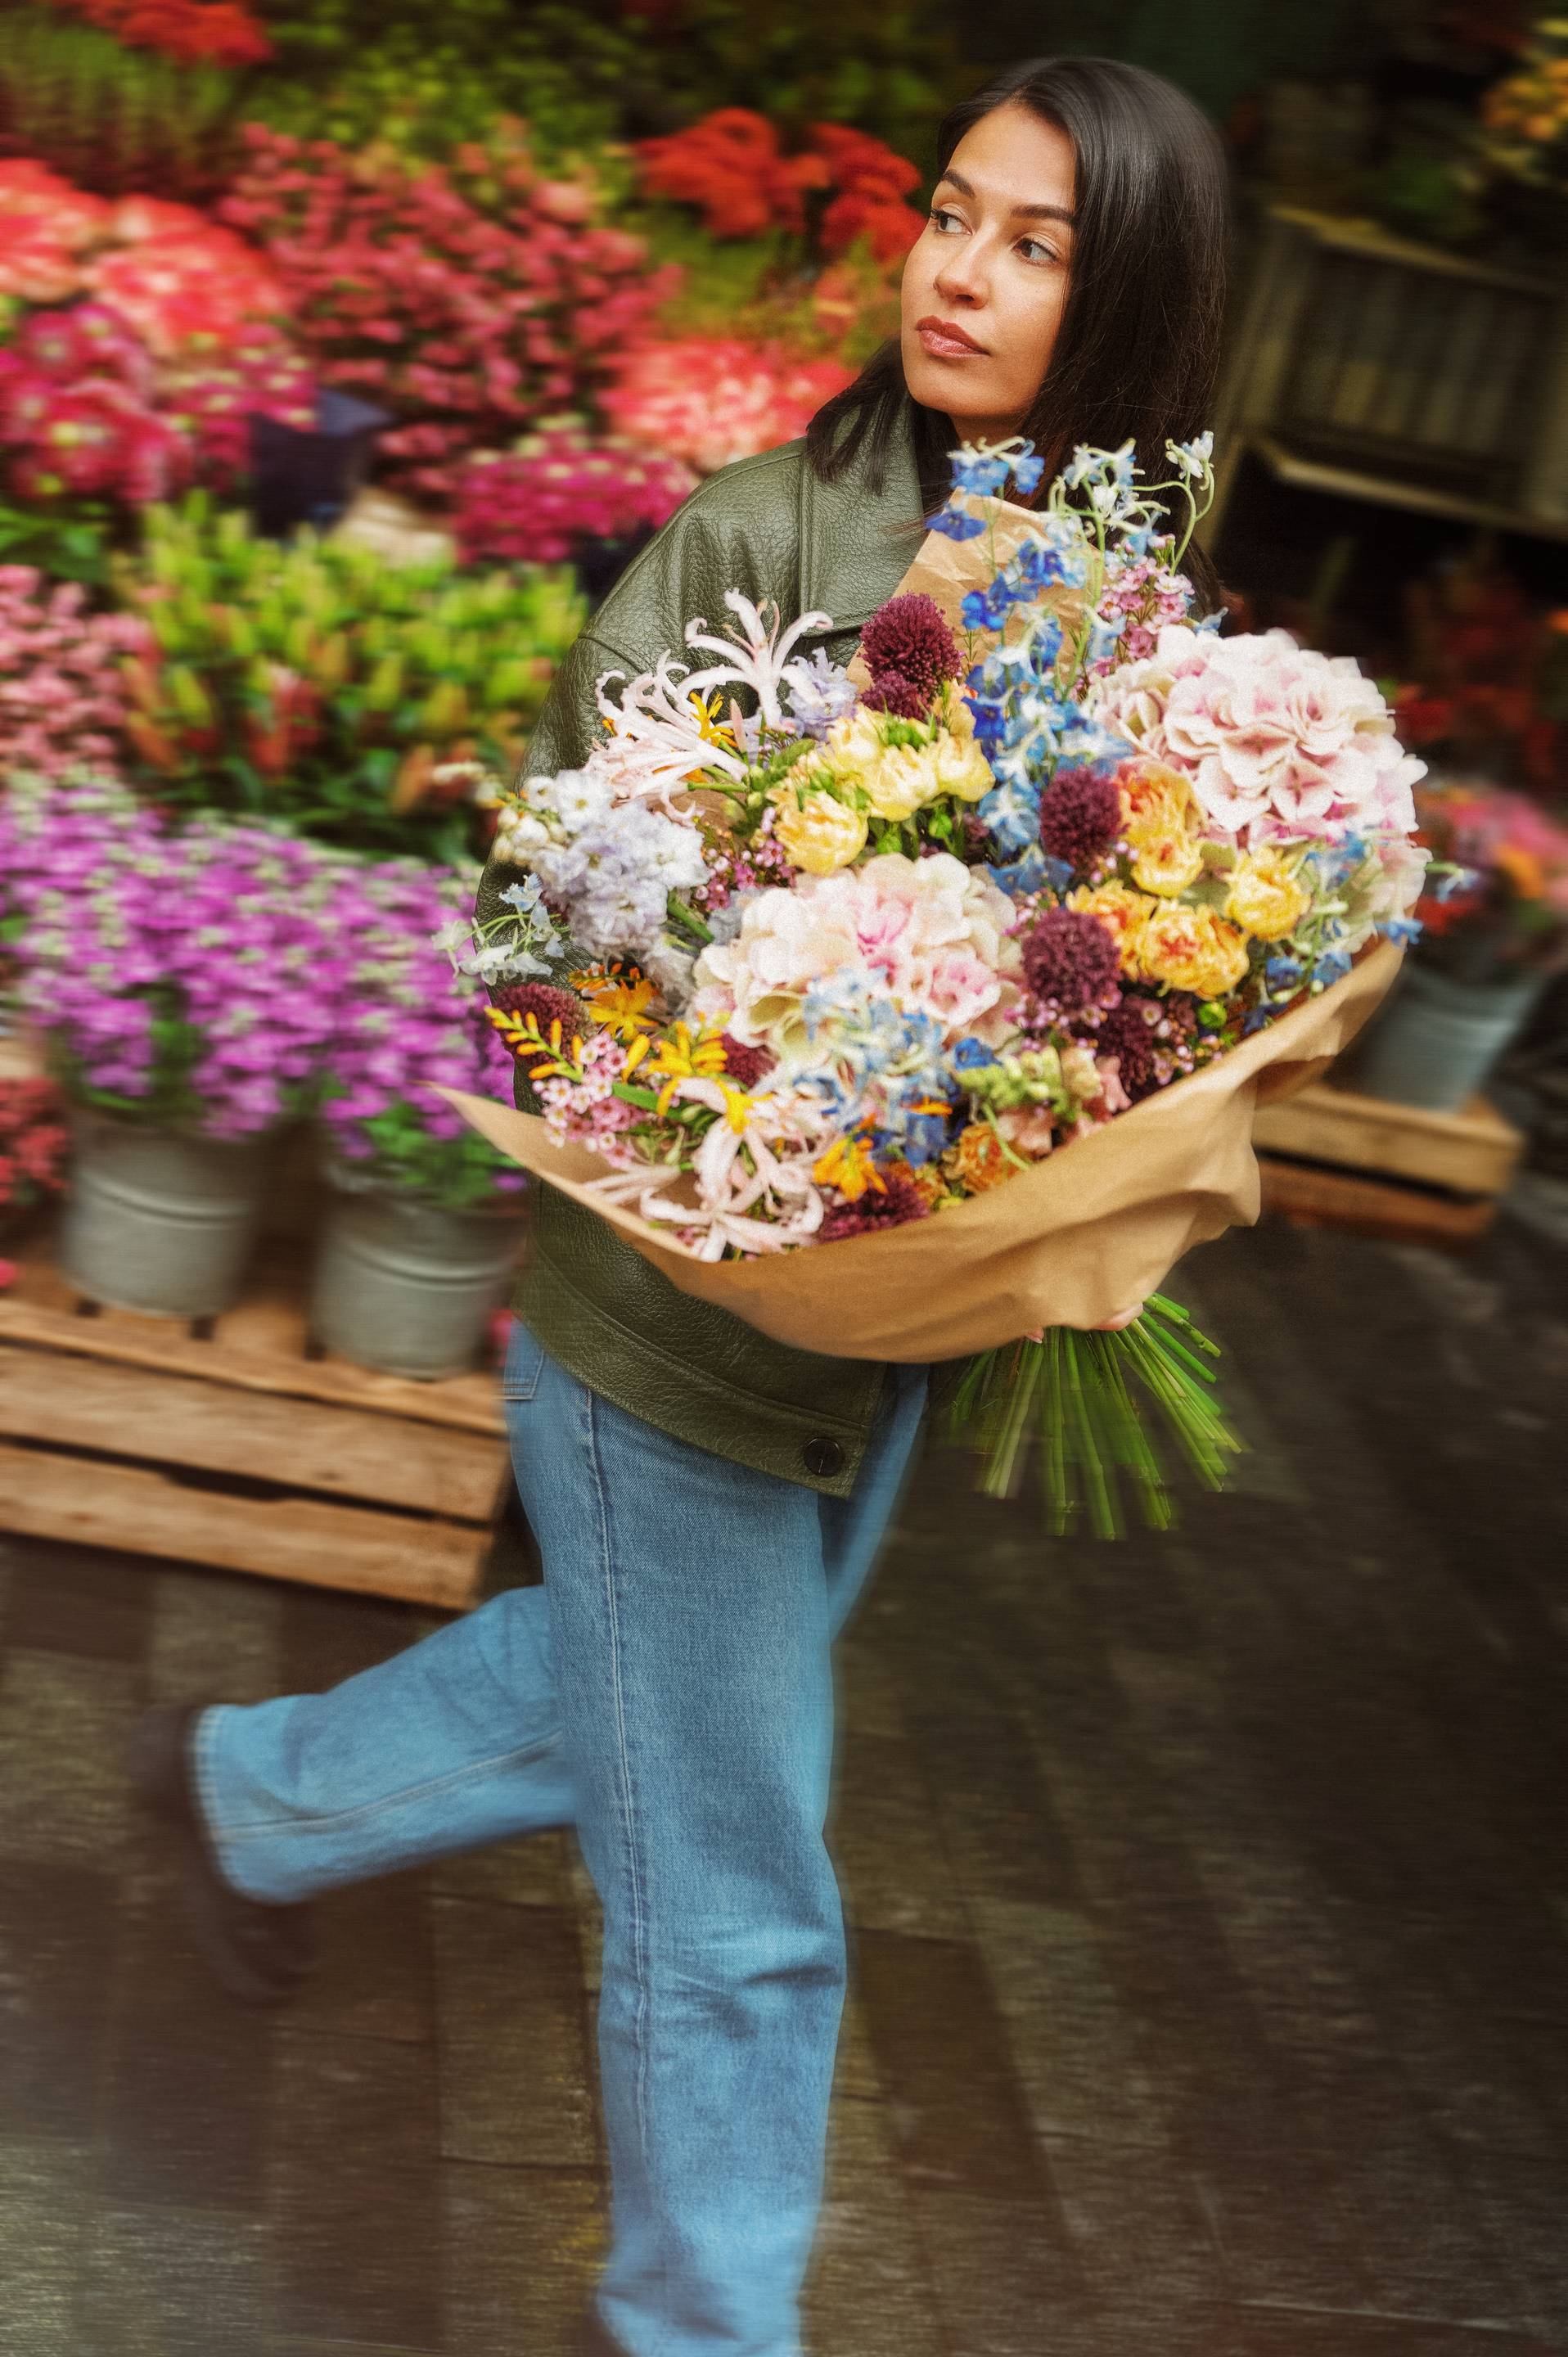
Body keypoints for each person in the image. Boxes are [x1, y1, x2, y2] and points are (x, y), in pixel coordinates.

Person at [127, 54, 1230, 2357]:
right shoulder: (761, 541)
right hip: (674, 1305)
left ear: (1133, 296)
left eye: (1036, 242)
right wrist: (782, 1033)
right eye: (953, 212)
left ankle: (251, 1793)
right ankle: (699, 2330)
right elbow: (557, 914)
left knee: (654, 1705)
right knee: (735, 1890)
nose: (959, 268)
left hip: (895, 1317)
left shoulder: (1129, 572)